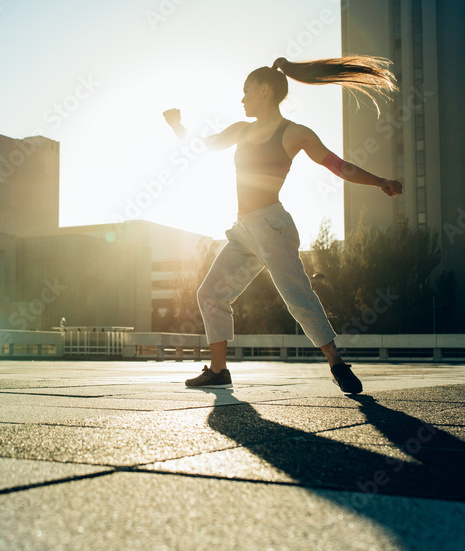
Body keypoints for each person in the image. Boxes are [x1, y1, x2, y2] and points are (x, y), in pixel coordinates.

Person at [164, 55, 403, 393]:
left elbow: (341, 167)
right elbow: (202, 146)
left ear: (264, 90)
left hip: (271, 225)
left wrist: (380, 181)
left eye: (246, 91)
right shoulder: (240, 130)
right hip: (243, 230)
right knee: (211, 294)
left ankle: (336, 362)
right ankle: (218, 370)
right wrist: (177, 125)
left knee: (297, 296)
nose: (242, 98)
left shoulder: (295, 133)